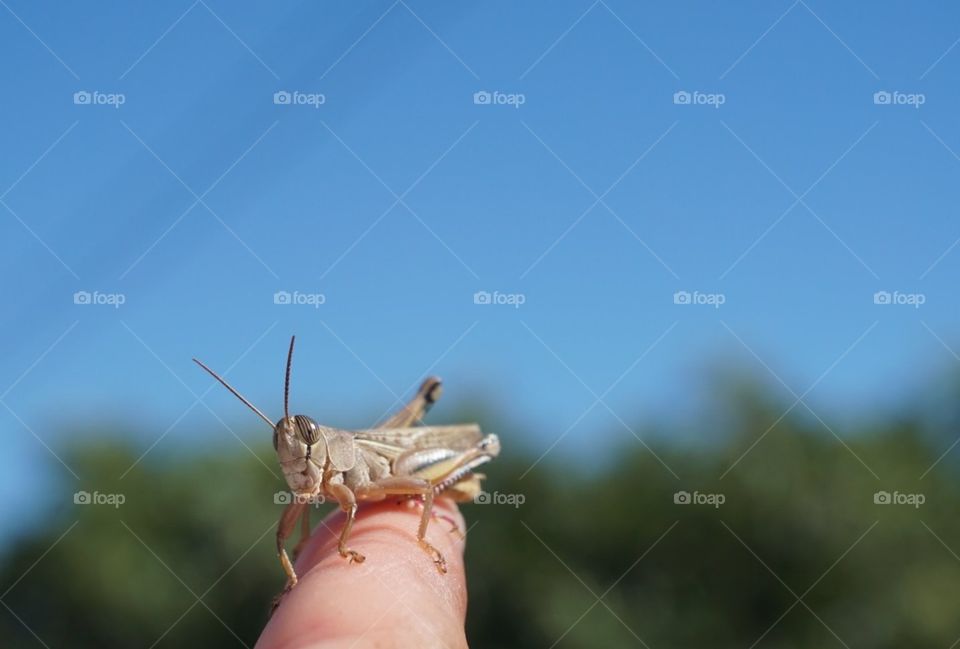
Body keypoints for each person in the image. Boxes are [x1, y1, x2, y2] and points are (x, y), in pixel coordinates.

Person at [255, 499, 469, 649]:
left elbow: (424, 487)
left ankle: (421, 539)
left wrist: (422, 540)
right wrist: (294, 577)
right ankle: (294, 579)